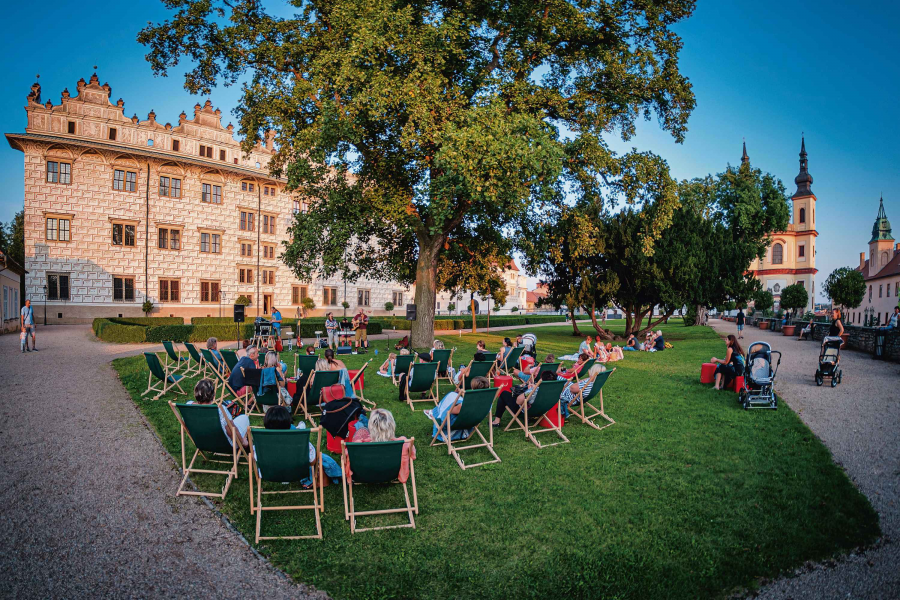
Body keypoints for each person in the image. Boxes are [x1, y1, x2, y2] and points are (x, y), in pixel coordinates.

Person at [349, 409, 416, 483]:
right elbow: (413, 456)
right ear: (392, 425)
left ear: (371, 427)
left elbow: (346, 459)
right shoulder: (404, 443)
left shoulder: (357, 447)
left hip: (363, 475)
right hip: (391, 474)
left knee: (360, 430)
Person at [189, 378, 249, 450]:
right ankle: (246, 443)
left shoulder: (188, 406)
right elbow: (231, 432)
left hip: (202, 442)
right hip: (225, 443)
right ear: (213, 396)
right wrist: (243, 442)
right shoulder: (220, 410)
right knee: (244, 418)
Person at [427, 376, 490, 441]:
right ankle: (434, 411)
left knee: (450, 396)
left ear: (473, 388)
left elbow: (450, 411)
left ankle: (434, 412)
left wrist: (450, 406)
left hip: (456, 423)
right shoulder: (487, 402)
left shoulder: (465, 405)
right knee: (453, 395)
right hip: (472, 421)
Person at [491, 370, 557, 426]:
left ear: (541, 379)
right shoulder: (555, 390)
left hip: (527, 412)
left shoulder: (533, 390)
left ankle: (497, 421)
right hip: (541, 410)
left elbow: (518, 401)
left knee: (504, 393)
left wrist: (530, 389)